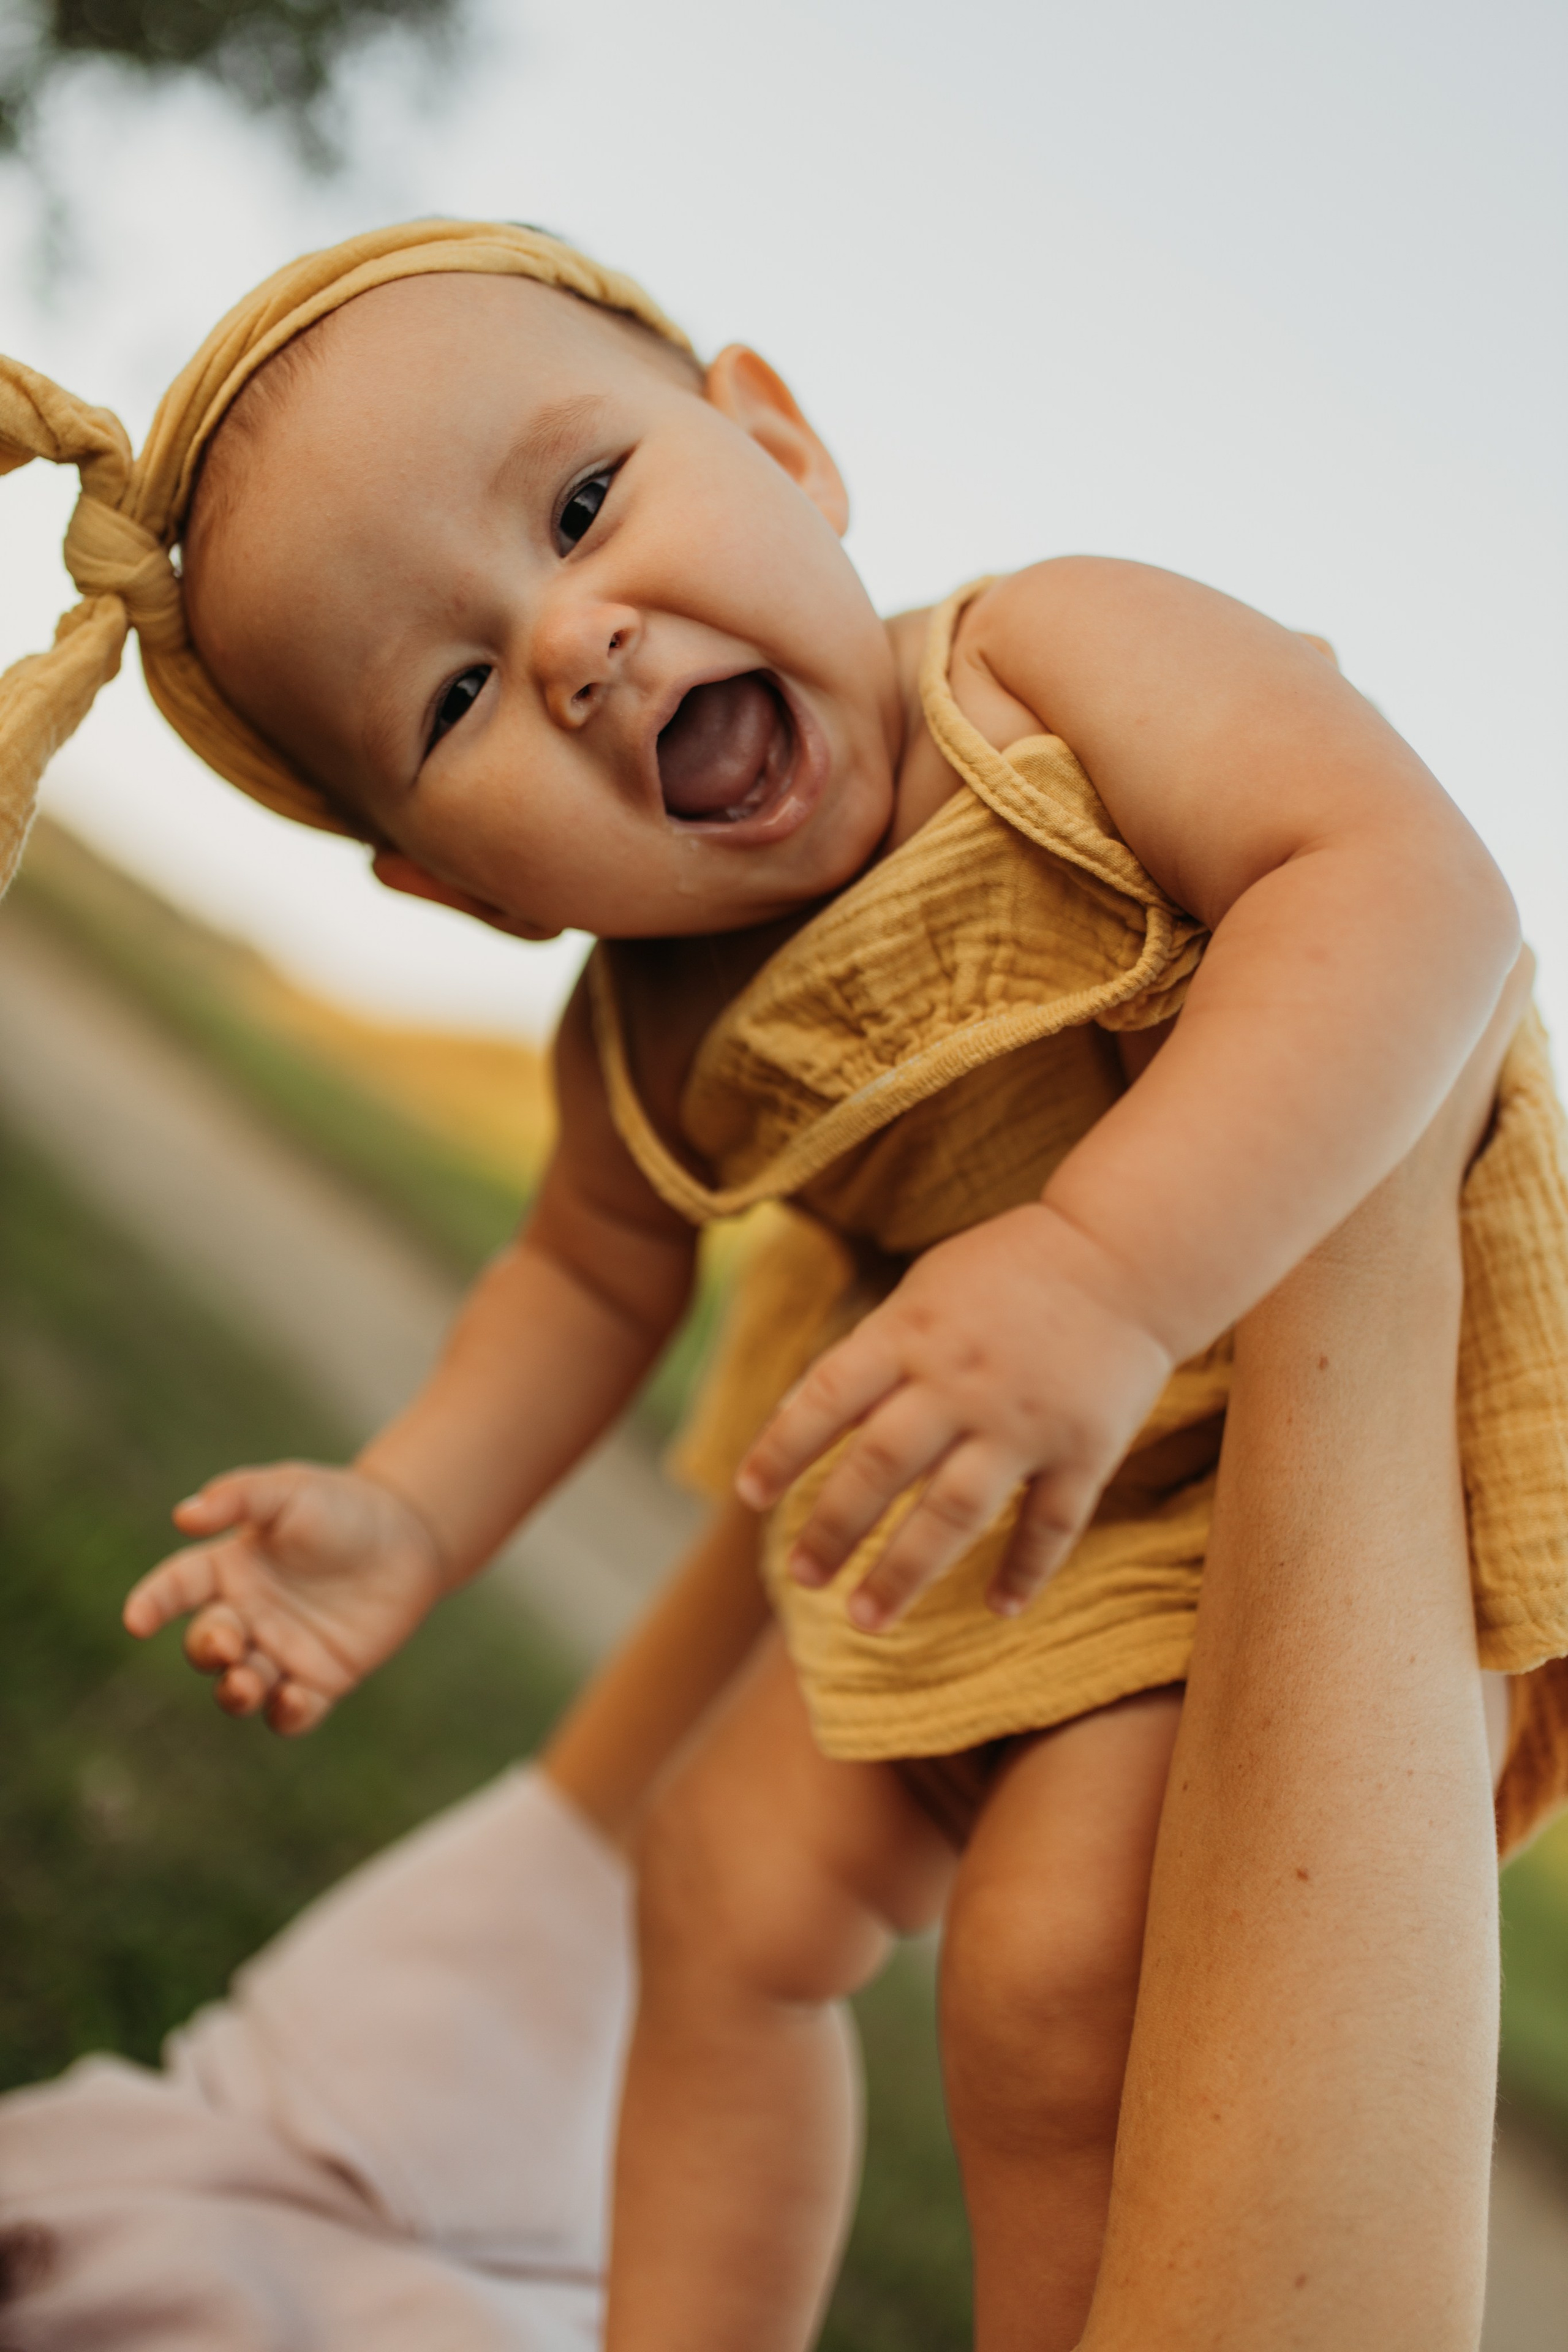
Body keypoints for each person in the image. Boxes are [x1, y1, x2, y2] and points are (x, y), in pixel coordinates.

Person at [1, 221, 1564, 2347]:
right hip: (1014, 1506)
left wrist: (1103, 1275)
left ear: (781, 441)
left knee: (1041, 1980)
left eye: (579, 506)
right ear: (457, 888)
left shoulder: (1043, 668)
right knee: (715, 1897)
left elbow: (1410, 890)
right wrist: (413, 1511)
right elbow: (576, 1283)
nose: (577, 643)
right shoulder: (644, 1028)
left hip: (1294, 1506)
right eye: (453, 694)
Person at [0, 969, 1531, 2349]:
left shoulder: (984, 682)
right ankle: (1352, 1266)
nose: (591, 660)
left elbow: (1421, 908)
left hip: (221, 2191)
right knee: (887, 1932)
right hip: (266, 2201)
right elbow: (1432, 919)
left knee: (999, 1958)